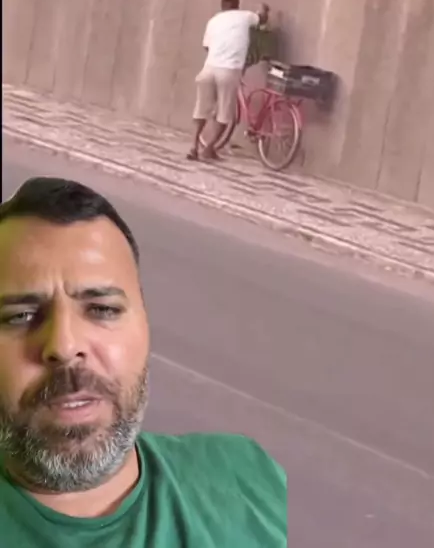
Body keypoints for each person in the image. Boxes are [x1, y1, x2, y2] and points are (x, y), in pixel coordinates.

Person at [0, 177, 287, 548]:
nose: (65, 346)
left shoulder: (252, 480)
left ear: (145, 324)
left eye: (103, 309)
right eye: (20, 316)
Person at [188, 0, 269, 161]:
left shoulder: (213, 21)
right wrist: (263, 9)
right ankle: (208, 149)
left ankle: (193, 147)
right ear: (237, 3)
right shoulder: (245, 17)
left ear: (222, 4)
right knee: (225, 115)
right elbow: (261, 19)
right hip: (229, 71)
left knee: (201, 110)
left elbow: (206, 46)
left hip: (208, 69)